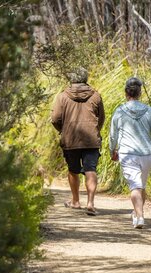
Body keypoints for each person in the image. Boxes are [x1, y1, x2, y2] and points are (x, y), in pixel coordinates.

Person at [109, 77, 151, 228]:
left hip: (128, 153)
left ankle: (140, 216)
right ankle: (137, 214)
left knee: (135, 186)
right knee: (140, 186)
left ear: (126, 92)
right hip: (147, 155)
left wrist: (112, 150)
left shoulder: (119, 111)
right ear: (140, 93)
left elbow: (113, 135)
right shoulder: (149, 110)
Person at [51, 67, 105, 216]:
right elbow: (101, 118)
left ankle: (75, 201)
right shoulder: (96, 96)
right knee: (90, 169)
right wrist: (96, 130)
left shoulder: (62, 96)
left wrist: (63, 130)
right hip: (91, 140)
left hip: (70, 139)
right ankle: (90, 203)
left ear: (71, 79)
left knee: (73, 170)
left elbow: (55, 118)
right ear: (85, 78)